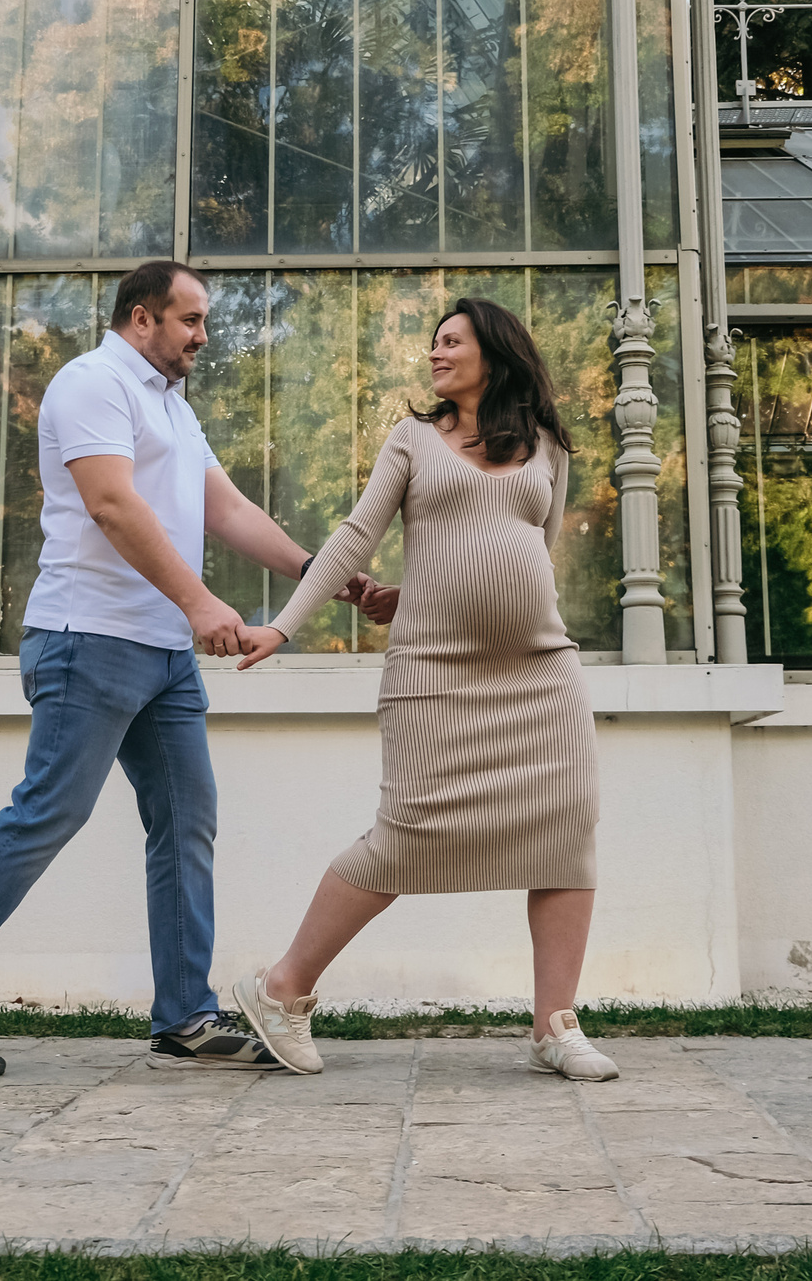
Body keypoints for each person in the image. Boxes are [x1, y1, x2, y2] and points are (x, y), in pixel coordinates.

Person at [0, 260, 364, 1077]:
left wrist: (324, 575)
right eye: (191, 320)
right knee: (47, 813)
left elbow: (229, 508)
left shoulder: (170, 406)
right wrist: (202, 604)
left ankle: (184, 1015)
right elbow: (112, 506)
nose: (203, 335)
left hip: (163, 656)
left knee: (187, 820)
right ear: (142, 318)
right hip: (87, 638)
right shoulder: (91, 382)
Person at [226, 297, 619, 1082]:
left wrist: (416, 590)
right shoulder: (413, 438)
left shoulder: (546, 445)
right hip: (435, 674)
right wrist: (285, 625)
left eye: (452, 342)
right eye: (434, 343)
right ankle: (281, 988)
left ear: (495, 353)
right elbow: (354, 538)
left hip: (541, 672)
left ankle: (554, 1025)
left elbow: (526, 555)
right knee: (404, 838)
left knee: (566, 833)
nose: (435, 355)